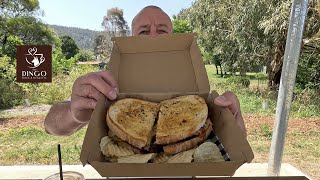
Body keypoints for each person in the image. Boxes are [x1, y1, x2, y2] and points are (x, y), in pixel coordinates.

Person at [44, 5, 246, 137]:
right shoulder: (111, 80)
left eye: (162, 30)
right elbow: (50, 126)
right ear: (130, 39)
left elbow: (224, 141)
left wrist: (231, 129)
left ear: (173, 37)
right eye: (142, 31)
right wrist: (74, 113)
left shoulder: (193, 81)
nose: (153, 37)